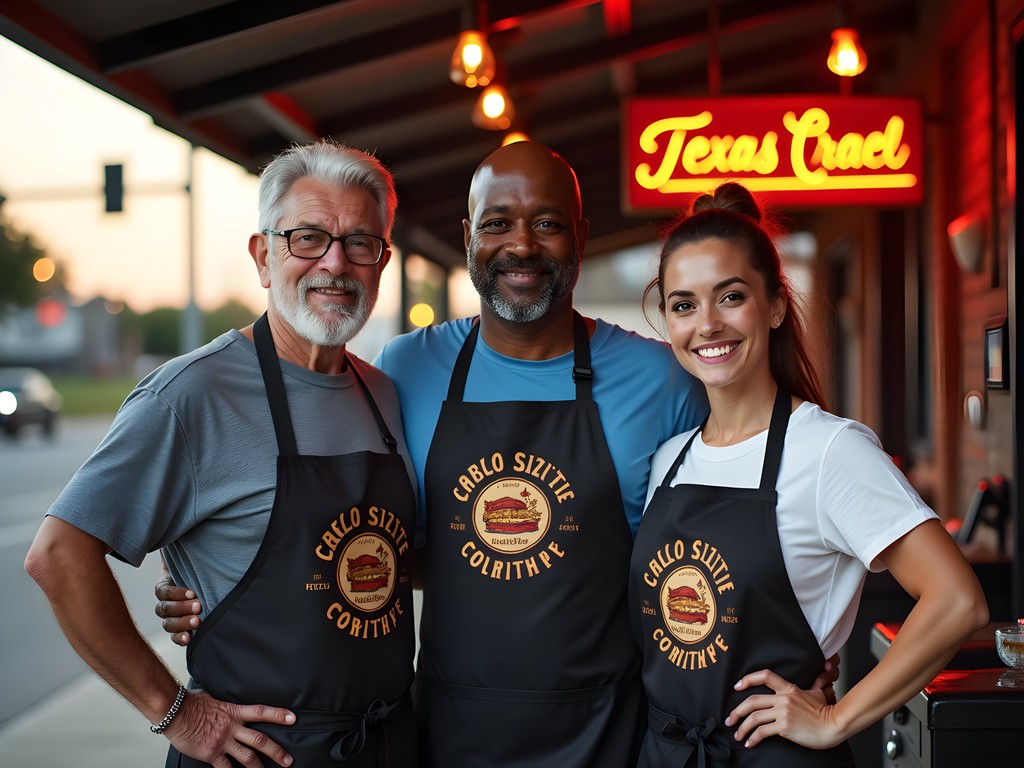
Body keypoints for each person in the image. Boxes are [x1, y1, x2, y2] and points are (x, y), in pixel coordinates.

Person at [156, 143, 835, 766]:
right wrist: (218, 580)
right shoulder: (405, 370)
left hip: (609, 733)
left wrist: (804, 641)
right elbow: (375, 538)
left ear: (580, 237)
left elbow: (730, 539)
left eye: (547, 224)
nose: (521, 245)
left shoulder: (661, 379)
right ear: (468, 238)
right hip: (449, 734)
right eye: (498, 223)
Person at [25, 140, 419, 768]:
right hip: (259, 756)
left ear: (382, 262)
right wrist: (175, 712)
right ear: (263, 256)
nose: (336, 263)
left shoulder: (382, 394)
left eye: (360, 243)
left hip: (388, 746)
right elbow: (58, 556)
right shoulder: (191, 394)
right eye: (308, 238)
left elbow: (396, 559)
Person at [628, 181, 989, 766]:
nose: (708, 324)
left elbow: (957, 601)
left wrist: (834, 719)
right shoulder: (670, 458)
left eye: (731, 296)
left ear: (775, 306)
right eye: (684, 305)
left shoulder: (828, 450)